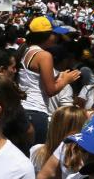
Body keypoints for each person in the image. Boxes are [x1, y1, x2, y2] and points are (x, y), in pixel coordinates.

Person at [18, 16, 80, 145]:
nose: (56, 38)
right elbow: (51, 91)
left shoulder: (25, 50)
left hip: (22, 109)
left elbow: (35, 81)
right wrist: (66, 80)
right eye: (54, 34)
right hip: (36, 113)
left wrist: (58, 78)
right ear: (46, 35)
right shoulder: (44, 55)